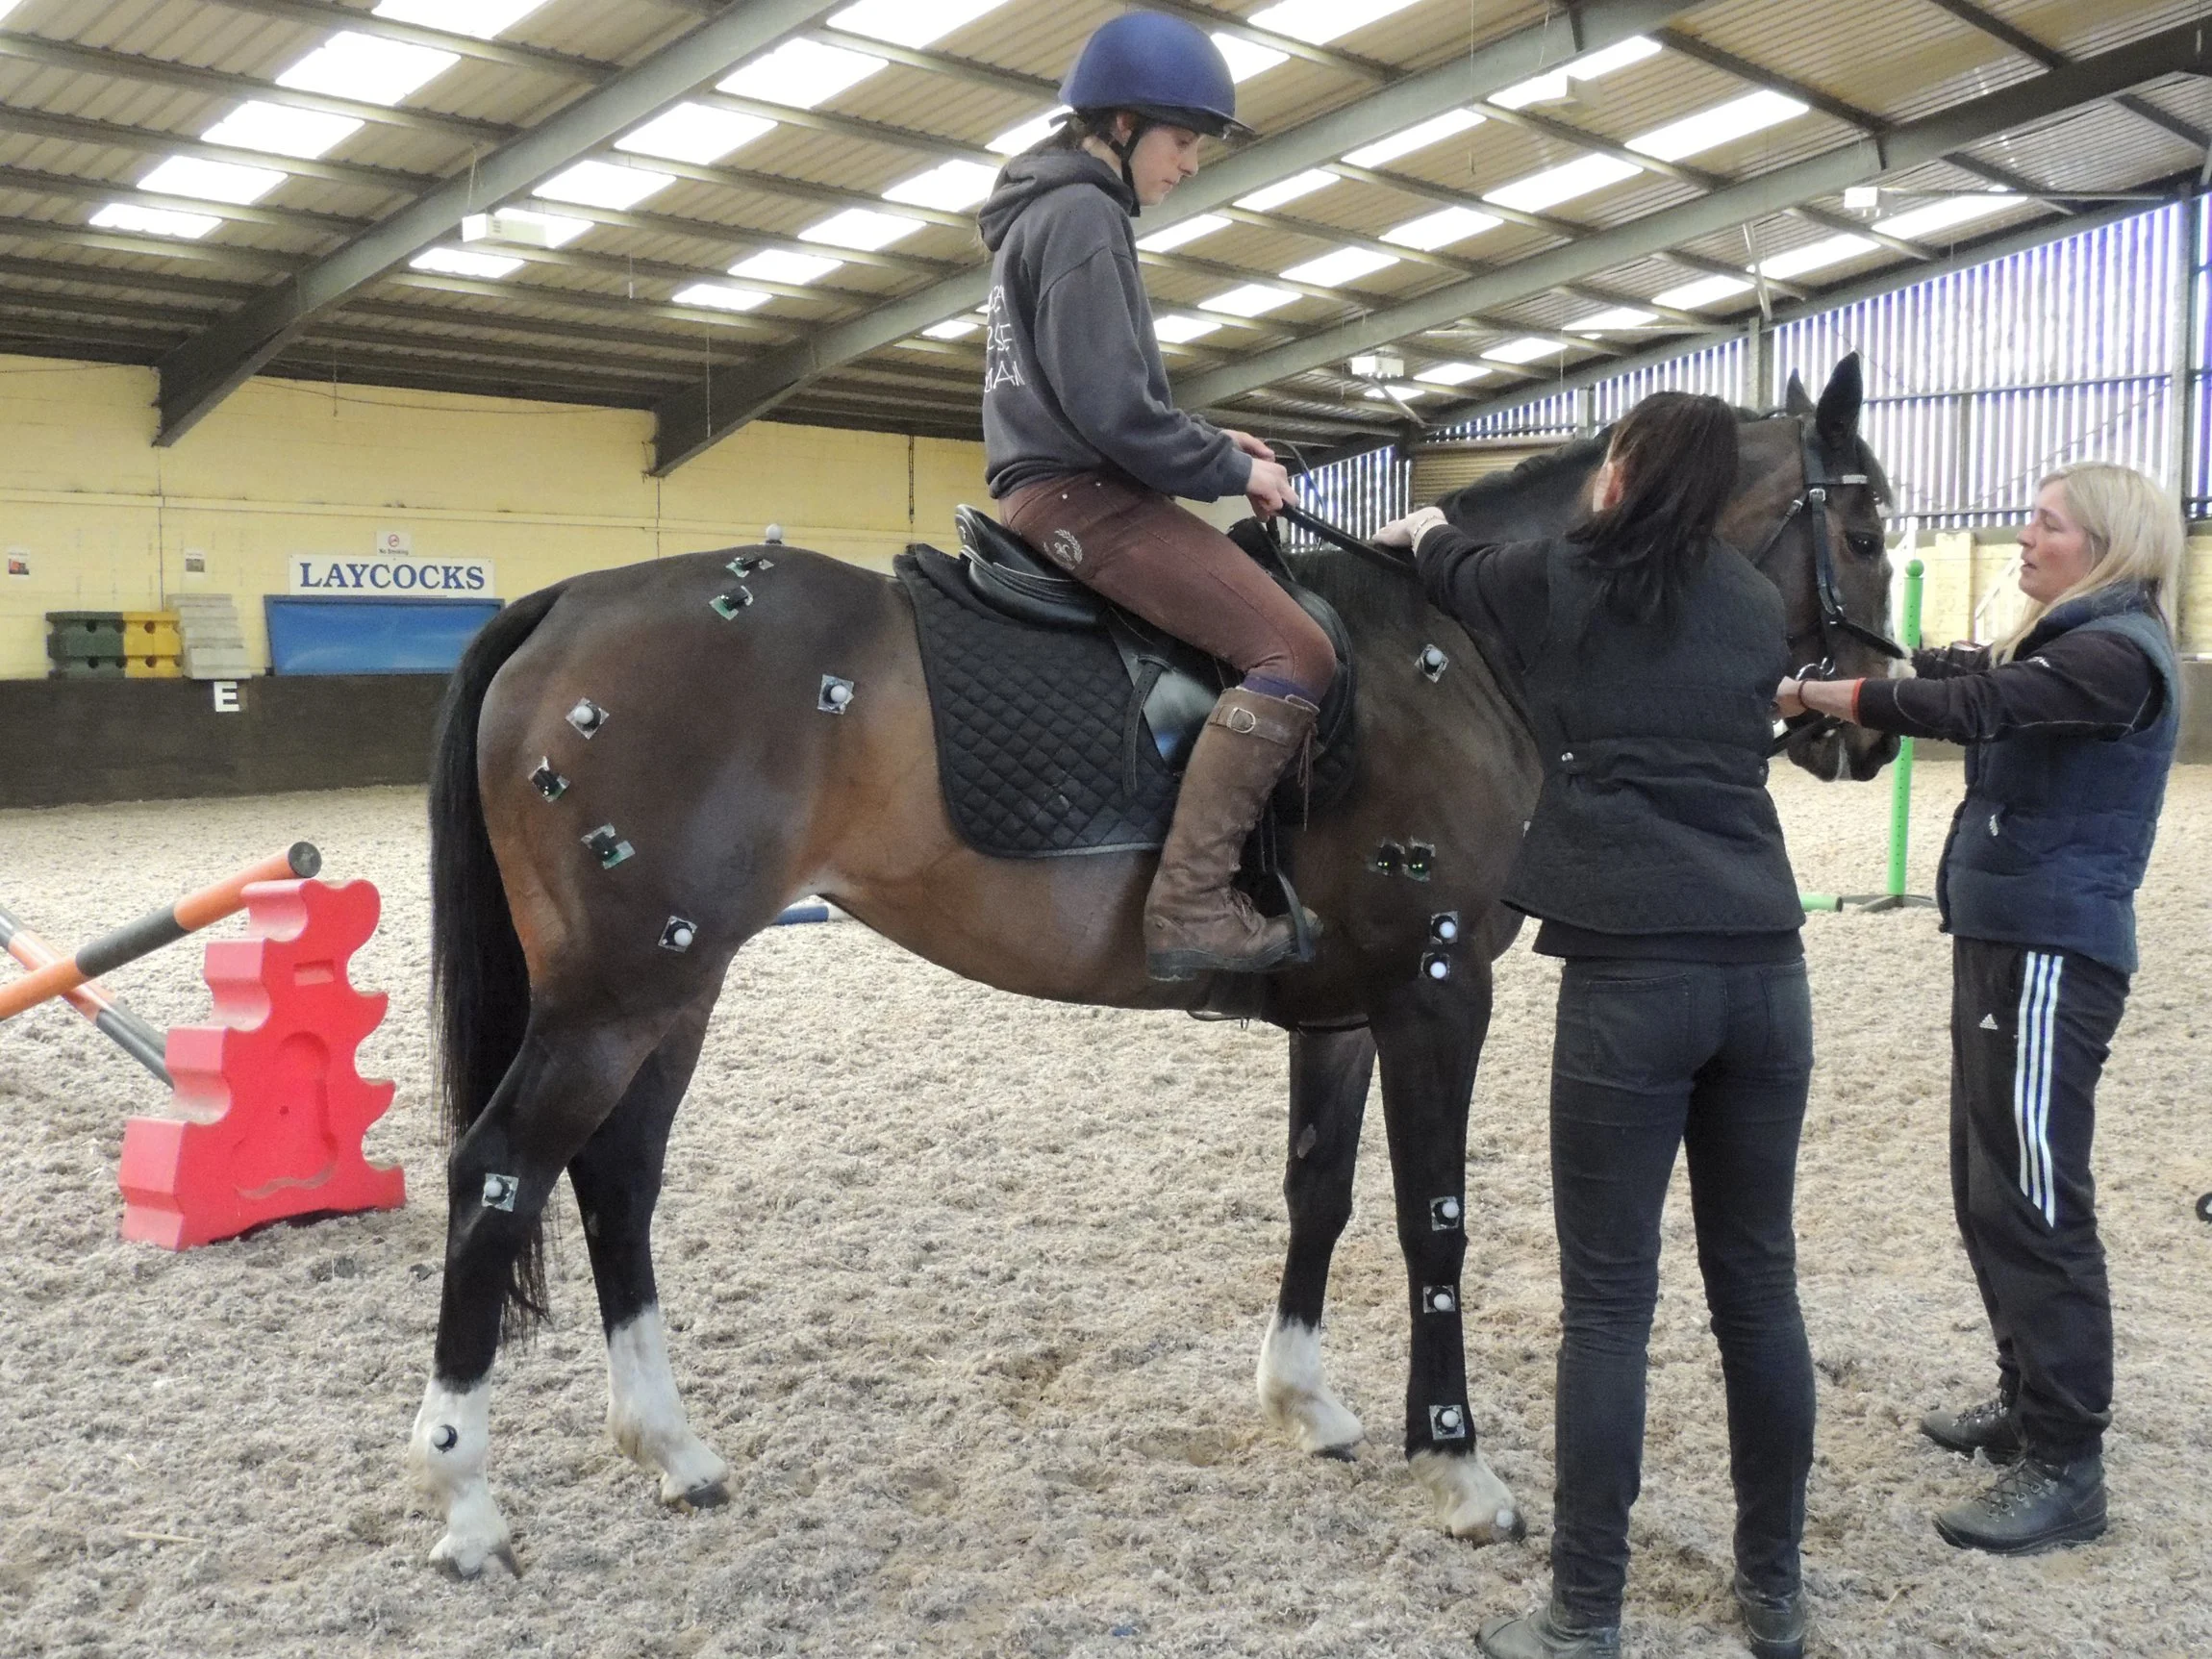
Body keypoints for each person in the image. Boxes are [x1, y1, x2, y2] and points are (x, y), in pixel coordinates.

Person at [1376, 391, 1816, 1659]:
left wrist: (1414, 533)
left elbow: (1446, 558)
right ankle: (1774, 1592)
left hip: (1633, 980)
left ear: (1616, 472)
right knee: (1761, 1289)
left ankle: (1585, 1614)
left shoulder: (1563, 573)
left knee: (1611, 1307)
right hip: (1766, 973)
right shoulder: (1748, 596)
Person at [1776, 461, 2181, 1555]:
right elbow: (1976, 671)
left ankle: (2066, 1458)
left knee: (2037, 1199)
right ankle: (2025, 1396)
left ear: (2101, 542)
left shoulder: (2110, 652)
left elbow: (1981, 703)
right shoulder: (2067, 638)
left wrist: (1830, 697)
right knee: (1987, 1184)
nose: (2024, 533)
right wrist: (1892, 657)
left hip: (2053, 951)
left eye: (2046, 524)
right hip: (2007, 938)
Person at [974, 12, 1336, 982]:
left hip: (1061, 483)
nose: (1186, 166)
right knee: (1294, 649)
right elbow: (1111, 413)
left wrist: (1214, 442)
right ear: (1122, 125)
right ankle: (1191, 907)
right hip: (1084, 498)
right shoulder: (1085, 214)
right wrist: (1232, 471)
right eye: (1181, 142)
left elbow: (1102, 400)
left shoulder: (1043, 211)